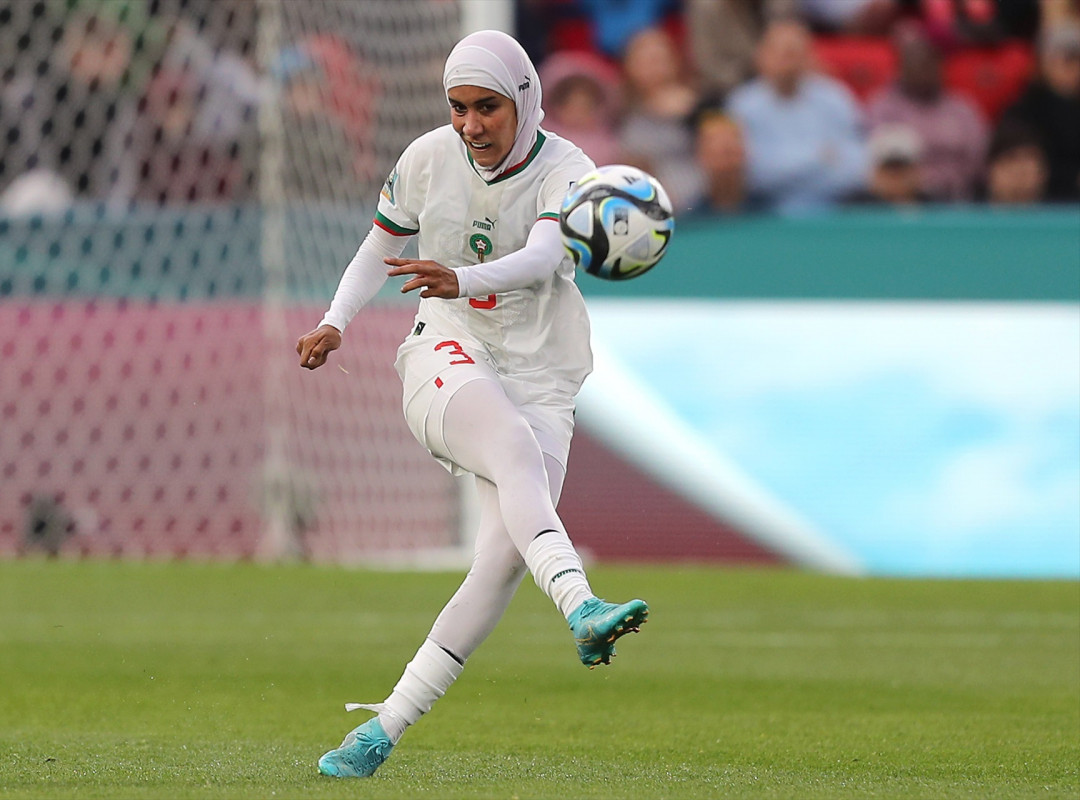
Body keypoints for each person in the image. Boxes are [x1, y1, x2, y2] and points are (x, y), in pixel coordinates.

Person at [296, 30, 649, 779]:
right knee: (512, 449)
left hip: (543, 374)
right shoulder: (427, 157)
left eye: (486, 107)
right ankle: (582, 606)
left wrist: (461, 273)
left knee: (499, 562)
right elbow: (378, 246)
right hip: (446, 352)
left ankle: (379, 733)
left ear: (524, 100)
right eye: (458, 108)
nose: (470, 124)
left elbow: (548, 256)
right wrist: (335, 321)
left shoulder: (570, 171)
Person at [726, 19, 869, 214]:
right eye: (782, 53)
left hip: (836, 212)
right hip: (762, 215)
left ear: (809, 56)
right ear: (762, 56)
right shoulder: (742, 105)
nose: (788, 62)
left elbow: (858, 167)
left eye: (795, 53)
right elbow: (752, 176)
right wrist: (819, 158)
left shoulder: (835, 98)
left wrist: (784, 165)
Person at [866, 23, 989, 202]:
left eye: (928, 60)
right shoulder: (882, 108)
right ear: (900, 64)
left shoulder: (962, 110)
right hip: (901, 202)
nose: (921, 67)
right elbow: (879, 165)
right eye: (914, 59)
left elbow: (978, 162)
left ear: (940, 64)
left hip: (959, 202)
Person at [618, 26, 704, 213]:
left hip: (706, 205)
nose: (654, 67)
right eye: (646, 61)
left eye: (660, 59)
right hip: (656, 209)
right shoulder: (620, 115)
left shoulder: (703, 106)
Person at [1000, 21, 1080, 201]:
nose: (1076, 68)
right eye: (1069, 59)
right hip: (1038, 204)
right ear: (1044, 62)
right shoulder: (1024, 111)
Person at [688, 111, 768, 216]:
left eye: (732, 152)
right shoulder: (692, 218)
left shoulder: (769, 210)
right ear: (701, 155)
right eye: (718, 153)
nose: (727, 163)